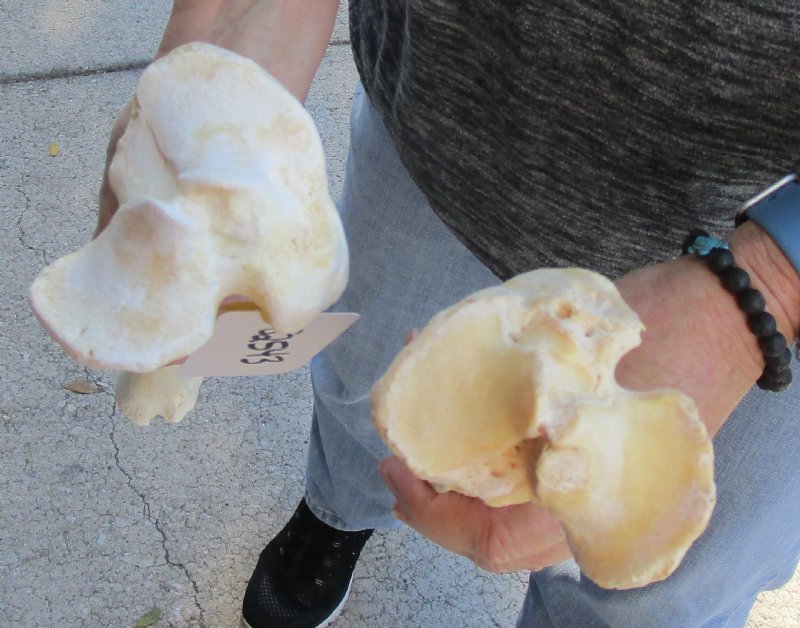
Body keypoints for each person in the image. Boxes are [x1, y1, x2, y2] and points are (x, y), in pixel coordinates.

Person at [97, 2, 800, 626]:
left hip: (763, 251)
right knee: (369, 383)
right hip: (453, 113)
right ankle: (339, 509)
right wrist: (230, 42)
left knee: (658, 586)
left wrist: (766, 290)